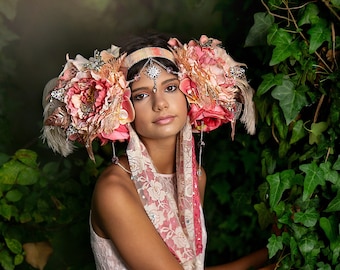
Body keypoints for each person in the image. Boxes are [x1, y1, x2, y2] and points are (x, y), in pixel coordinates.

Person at [42, 32, 274, 269]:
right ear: (123, 108)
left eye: (171, 88)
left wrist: (272, 252)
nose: (160, 103)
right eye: (141, 95)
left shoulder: (195, 176)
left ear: (190, 95)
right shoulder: (115, 189)